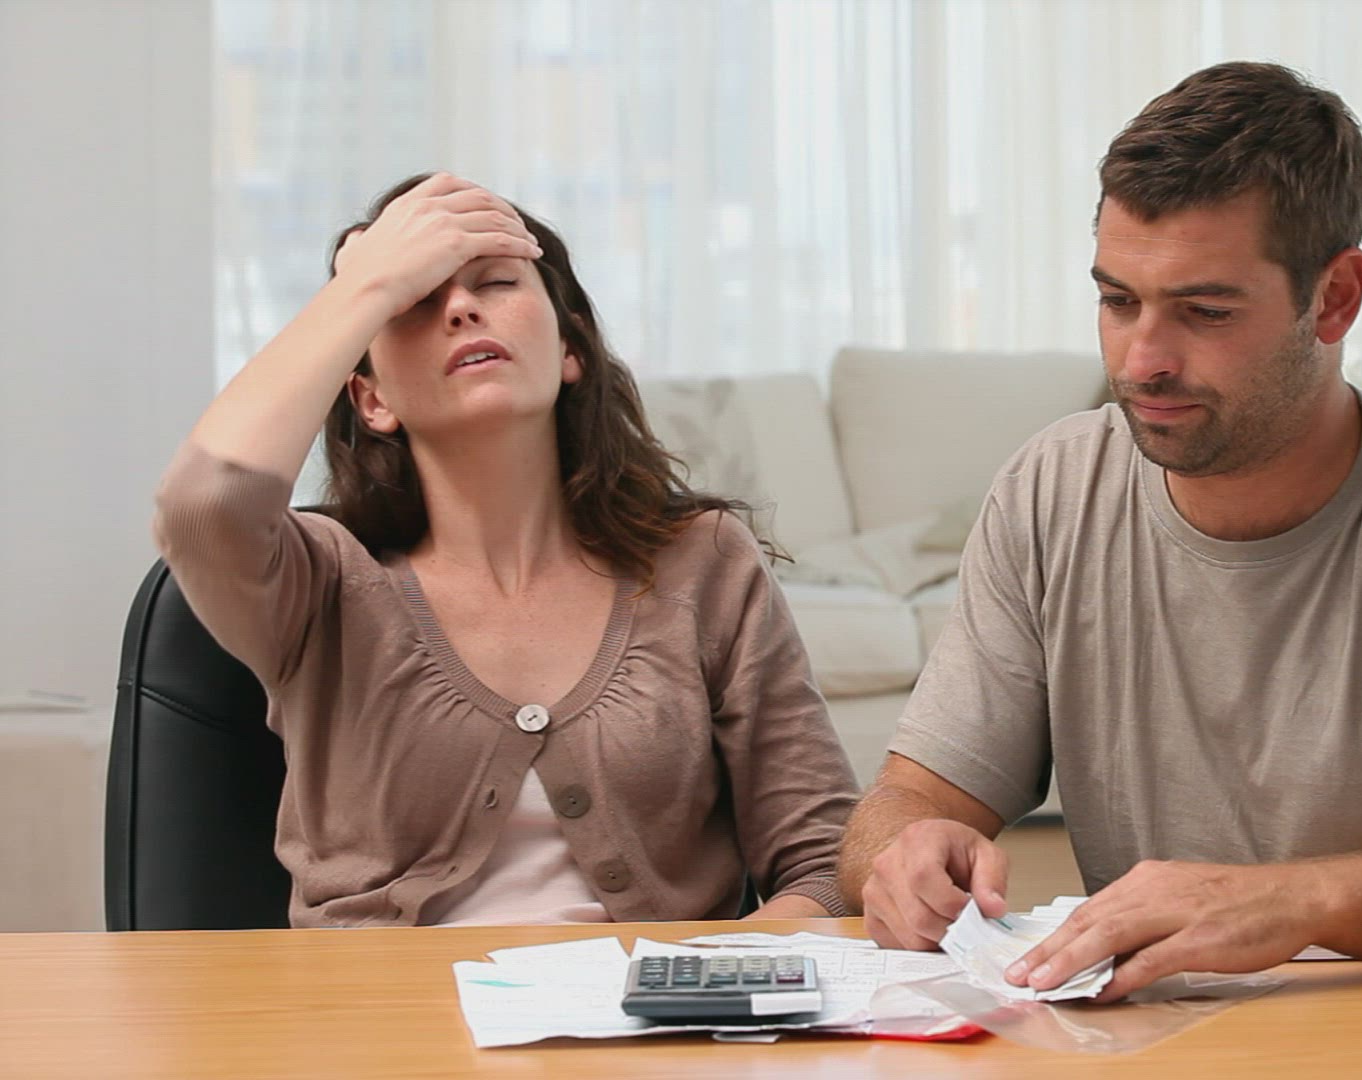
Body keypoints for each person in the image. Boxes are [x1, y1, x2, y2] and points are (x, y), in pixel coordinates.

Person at [838, 62, 1362, 1000]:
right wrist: (904, 852)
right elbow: (907, 801)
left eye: (1204, 312)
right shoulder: (1051, 491)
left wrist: (1299, 904)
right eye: (1118, 301)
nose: (1142, 360)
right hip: (1158, 1044)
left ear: (1335, 297)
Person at [154, 173, 857, 927]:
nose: (461, 308)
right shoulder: (319, 579)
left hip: (648, 998)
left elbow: (823, 863)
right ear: (372, 398)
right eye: (415, 302)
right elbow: (202, 506)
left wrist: (720, 971)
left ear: (568, 349)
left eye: (495, 282)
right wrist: (365, 284)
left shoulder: (704, 561)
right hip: (377, 1002)